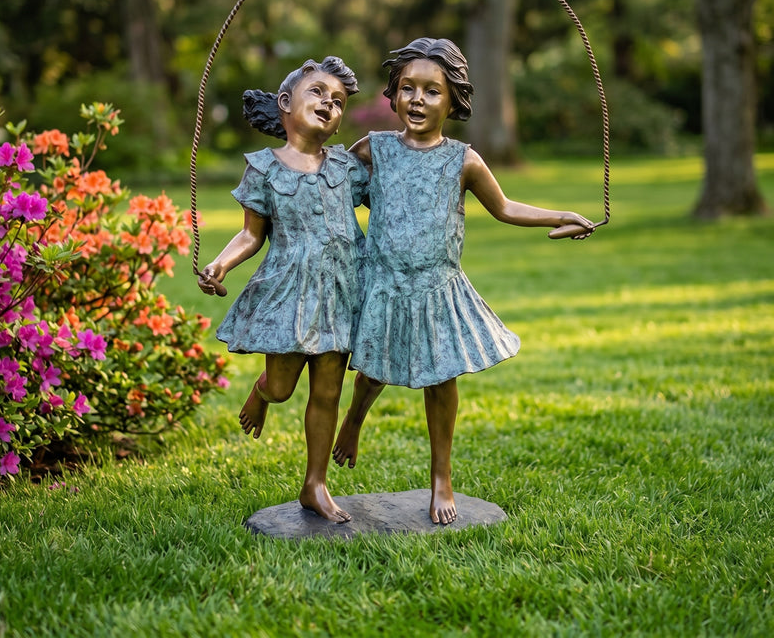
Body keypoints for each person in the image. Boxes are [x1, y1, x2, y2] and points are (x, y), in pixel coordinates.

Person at [332, 37, 594, 525]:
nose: (417, 99)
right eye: (407, 88)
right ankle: (354, 419)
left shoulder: (463, 160)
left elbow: (506, 207)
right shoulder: (373, 150)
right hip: (385, 281)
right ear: (391, 94)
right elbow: (332, 192)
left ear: (453, 100)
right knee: (371, 368)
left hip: (438, 285)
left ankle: (441, 476)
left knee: (441, 378)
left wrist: (561, 215)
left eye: (432, 91)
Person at [199, 56, 368, 524]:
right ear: (285, 103)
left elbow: (388, 196)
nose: (329, 104)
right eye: (318, 93)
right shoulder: (264, 170)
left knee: (328, 392)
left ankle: (314, 484)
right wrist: (220, 263)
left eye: (338, 102)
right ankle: (261, 391)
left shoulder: (348, 167)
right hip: (290, 294)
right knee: (282, 386)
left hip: (340, 290)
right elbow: (251, 235)